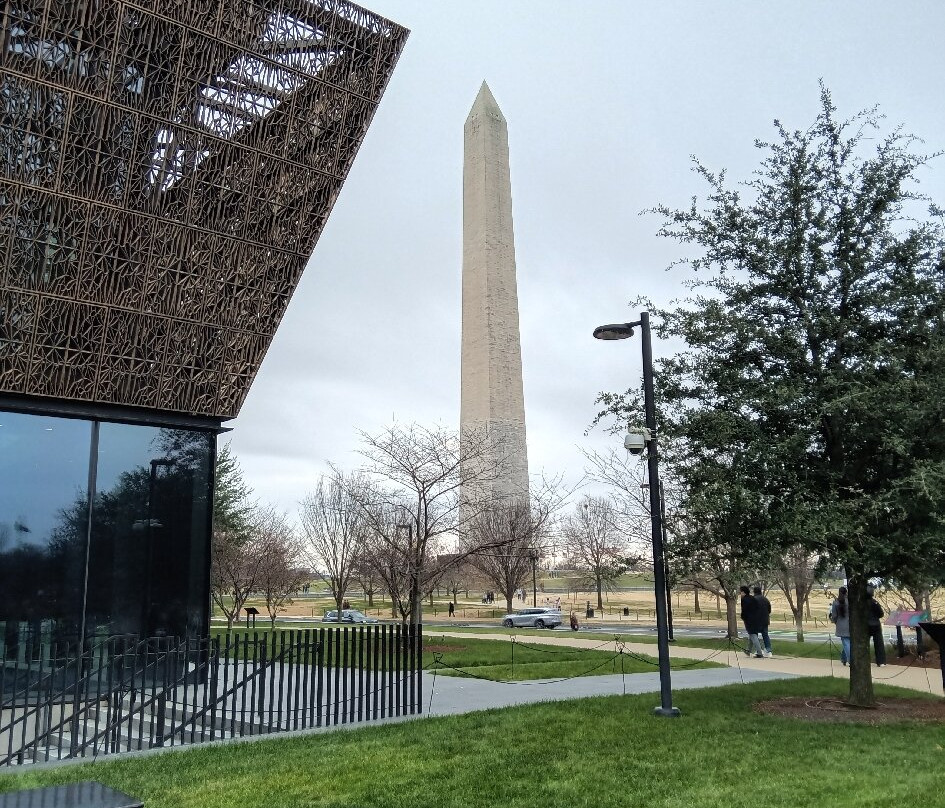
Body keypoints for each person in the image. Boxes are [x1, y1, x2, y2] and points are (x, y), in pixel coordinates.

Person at [739, 585, 765, 658]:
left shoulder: (744, 599)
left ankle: (759, 652)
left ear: (743, 592)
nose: (740, 594)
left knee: (753, 635)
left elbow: (744, 610)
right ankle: (748, 650)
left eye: (740, 592)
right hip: (756, 619)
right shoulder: (752, 598)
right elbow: (757, 608)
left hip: (749, 620)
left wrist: (743, 617)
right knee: (752, 635)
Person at [829, 586, 851, 665]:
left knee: (846, 643)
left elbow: (834, 616)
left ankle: (850, 660)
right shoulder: (850, 601)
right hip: (851, 624)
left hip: (841, 624)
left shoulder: (836, 602)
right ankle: (843, 658)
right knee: (847, 643)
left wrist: (834, 621)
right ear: (846, 592)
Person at [866, 585, 887, 666]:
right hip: (875, 624)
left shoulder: (861, 604)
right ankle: (881, 661)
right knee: (879, 643)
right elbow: (881, 614)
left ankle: (865, 660)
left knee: (864, 644)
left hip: (865, 625)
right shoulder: (875, 602)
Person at [753, 585, 773, 657]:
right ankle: (768, 650)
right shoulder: (766, 599)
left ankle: (759, 650)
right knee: (765, 635)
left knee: (755, 635)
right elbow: (769, 610)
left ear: (754, 592)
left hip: (756, 621)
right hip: (765, 620)